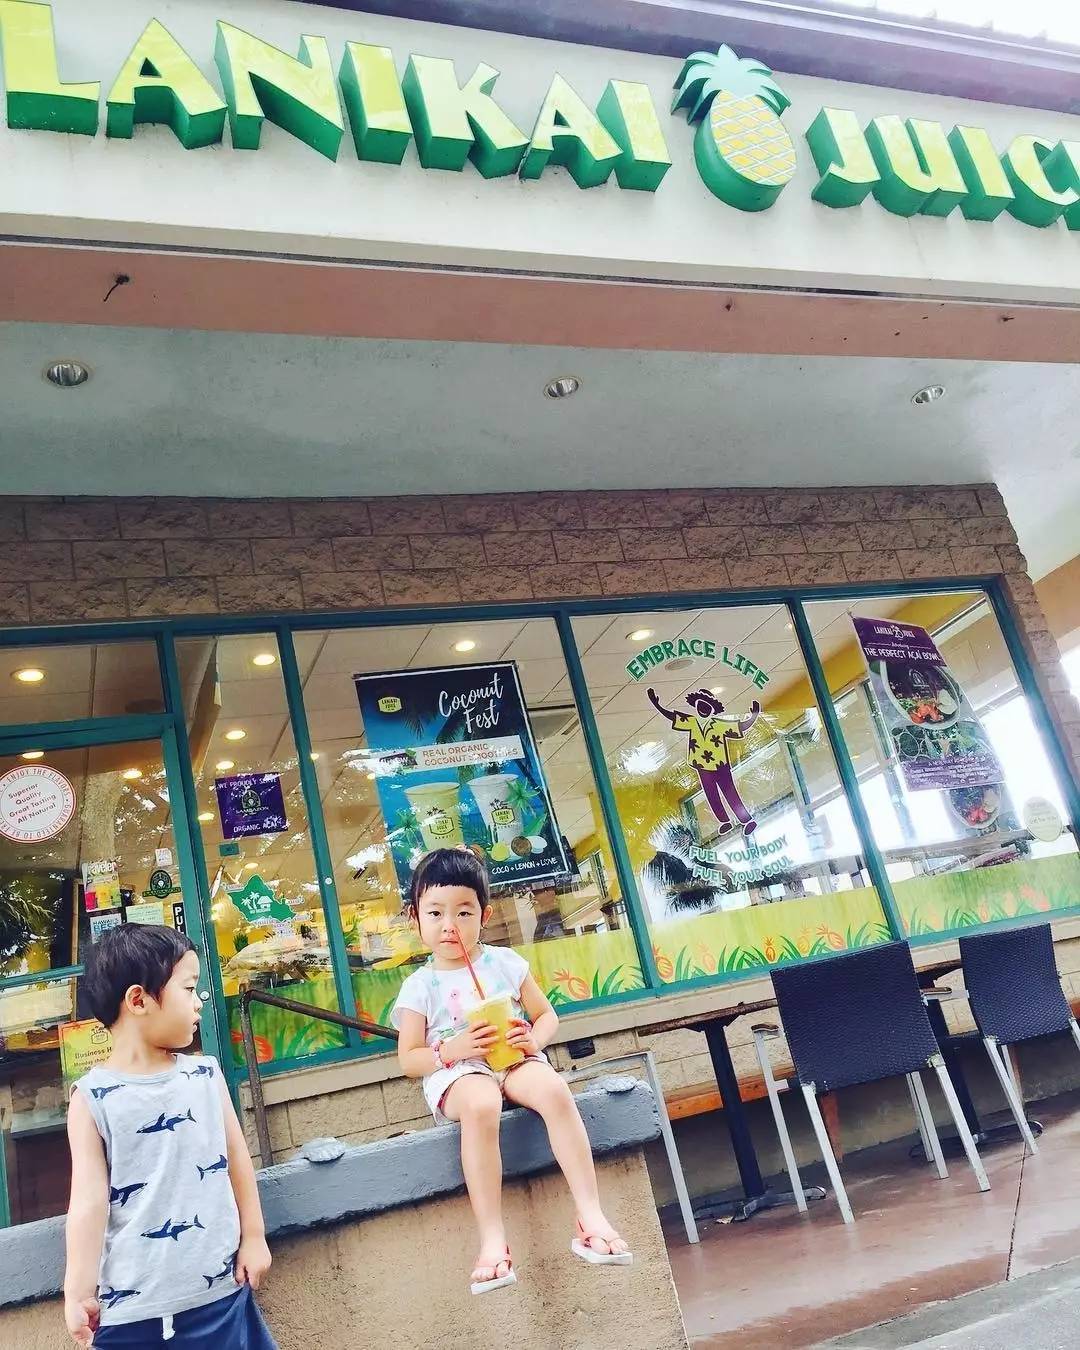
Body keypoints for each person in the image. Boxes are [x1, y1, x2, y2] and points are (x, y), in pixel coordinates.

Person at [392, 847, 632, 1295]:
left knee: (555, 1090)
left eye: (464, 912)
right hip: (459, 1073)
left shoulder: (504, 963)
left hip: (514, 1059)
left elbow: (547, 1016)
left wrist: (534, 1041)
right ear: (415, 918)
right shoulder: (419, 986)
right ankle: (492, 1239)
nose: (449, 925)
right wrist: (451, 1049)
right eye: (435, 913)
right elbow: (409, 1058)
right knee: (482, 1104)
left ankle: (590, 1214)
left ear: (484, 916)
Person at [64, 924, 276, 1348]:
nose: (199, 1002)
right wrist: (78, 1290)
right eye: (189, 988)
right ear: (138, 1000)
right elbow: (88, 1203)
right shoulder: (90, 1099)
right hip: (130, 1318)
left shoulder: (206, 1075)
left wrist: (254, 1237)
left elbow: (237, 1161)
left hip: (219, 1300)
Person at [648, 687, 761, 835]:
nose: (703, 709)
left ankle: (747, 820)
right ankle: (724, 821)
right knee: (711, 794)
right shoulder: (692, 722)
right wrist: (657, 705)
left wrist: (753, 716)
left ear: (712, 710)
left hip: (720, 765)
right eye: (700, 705)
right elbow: (673, 717)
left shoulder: (718, 725)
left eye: (707, 707)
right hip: (702, 766)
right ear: (696, 706)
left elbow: (739, 727)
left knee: (730, 793)